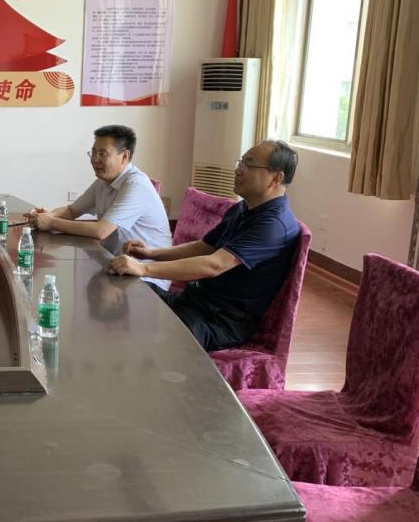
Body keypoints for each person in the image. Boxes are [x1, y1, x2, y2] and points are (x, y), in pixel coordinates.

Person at [108, 140, 300, 352]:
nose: (238, 170)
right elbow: (204, 247)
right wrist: (151, 254)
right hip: (191, 302)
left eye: (248, 165)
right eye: (241, 163)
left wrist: (144, 269)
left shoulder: (274, 225)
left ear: (276, 178)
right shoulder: (242, 208)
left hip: (218, 321)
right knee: (119, 287)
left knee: (152, 340)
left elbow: (214, 265)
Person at [27, 124, 172, 288]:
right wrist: (46, 216)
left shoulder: (136, 185)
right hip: (117, 266)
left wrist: (51, 222)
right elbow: (71, 210)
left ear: (124, 156)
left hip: (147, 278)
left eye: (102, 154)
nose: (95, 160)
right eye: (93, 152)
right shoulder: (103, 181)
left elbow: (101, 231)